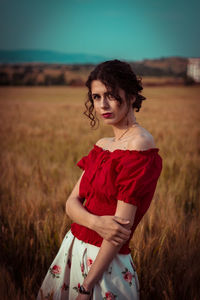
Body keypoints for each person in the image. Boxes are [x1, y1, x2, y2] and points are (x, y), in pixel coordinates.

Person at [37, 59, 162, 300]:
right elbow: (70, 203)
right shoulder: (102, 146)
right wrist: (96, 223)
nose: (103, 104)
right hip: (72, 250)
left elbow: (118, 233)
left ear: (132, 96)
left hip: (105, 266)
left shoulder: (139, 145)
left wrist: (86, 287)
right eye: (96, 97)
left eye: (111, 95)